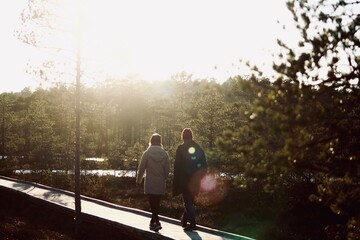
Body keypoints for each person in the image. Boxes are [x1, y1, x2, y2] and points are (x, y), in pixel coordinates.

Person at [173, 128, 207, 231]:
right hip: (195, 180)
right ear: (192, 136)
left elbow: (177, 167)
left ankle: (192, 223)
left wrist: (176, 182)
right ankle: (184, 220)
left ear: (183, 137)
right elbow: (204, 165)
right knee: (189, 201)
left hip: (184, 180)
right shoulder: (199, 149)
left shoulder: (180, 149)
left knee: (187, 201)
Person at [136, 133, 170, 232]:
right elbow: (167, 169)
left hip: (150, 181)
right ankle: (153, 223)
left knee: (152, 203)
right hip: (160, 182)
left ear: (151, 141)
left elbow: (141, 168)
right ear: (160, 142)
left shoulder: (147, 153)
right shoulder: (164, 154)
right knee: (157, 203)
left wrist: (139, 180)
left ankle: (156, 222)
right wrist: (165, 178)